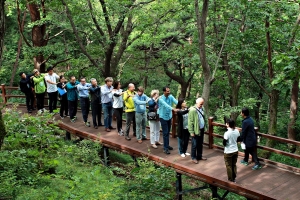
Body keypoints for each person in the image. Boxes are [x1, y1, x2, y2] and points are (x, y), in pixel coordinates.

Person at [158, 86, 178, 154]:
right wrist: (173, 109)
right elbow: (166, 105)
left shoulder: (171, 96)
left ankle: (167, 145)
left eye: (169, 91)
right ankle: (165, 148)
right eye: (167, 91)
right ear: (164, 92)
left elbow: (176, 102)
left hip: (169, 116)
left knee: (168, 132)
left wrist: (182, 105)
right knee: (165, 132)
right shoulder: (161, 99)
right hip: (163, 117)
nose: (169, 92)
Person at [188, 97, 207, 164]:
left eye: (202, 104)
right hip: (195, 130)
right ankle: (193, 157)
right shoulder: (193, 110)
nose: (201, 105)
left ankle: (199, 156)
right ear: (197, 103)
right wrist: (191, 132)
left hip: (201, 129)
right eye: (200, 104)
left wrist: (206, 127)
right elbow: (190, 122)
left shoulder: (203, 108)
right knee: (194, 144)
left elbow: (205, 118)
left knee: (200, 143)